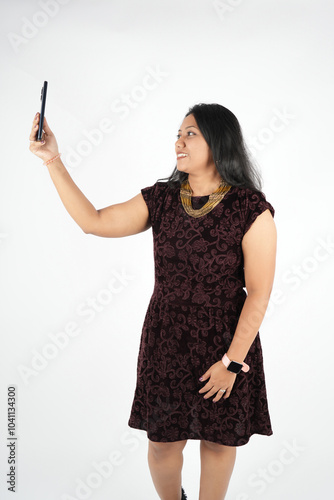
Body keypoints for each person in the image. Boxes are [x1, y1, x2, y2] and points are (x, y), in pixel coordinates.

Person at [29, 103, 277, 500]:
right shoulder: (161, 199)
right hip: (167, 342)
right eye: (178, 134)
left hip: (227, 347)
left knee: (217, 443)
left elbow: (259, 294)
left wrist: (231, 363)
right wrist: (52, 160)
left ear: (219, 140)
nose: (178, 141)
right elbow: (92, 221)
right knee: (163, 443)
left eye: (190, 133)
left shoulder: (250, 209)